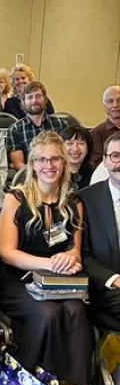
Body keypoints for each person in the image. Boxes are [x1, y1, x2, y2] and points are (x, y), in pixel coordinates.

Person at [0, 131, 93, 385]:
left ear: (64, 163)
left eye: (55, 159)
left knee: (77, 313)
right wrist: (50, 263)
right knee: (48, 314)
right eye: (42, 159)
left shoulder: (73, 203)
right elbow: (7, 253)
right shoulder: (16, 199)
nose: (49, 165)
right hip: (19, 282)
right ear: (32, 164)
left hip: (60, 282)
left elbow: (75, 252)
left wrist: (69, 260)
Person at [79, 131, 120, 331]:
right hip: (105, 285)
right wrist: (115, 279)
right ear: (104, 161)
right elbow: (83, 255)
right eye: (115, 156)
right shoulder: (85, 200)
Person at [6, 82, 68, 171]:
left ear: (45, 99)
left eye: (38, 96)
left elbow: (66, 157)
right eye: (30, 97)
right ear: (23, 101)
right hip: (30, 177)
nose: (34, 100)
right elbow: (19, 164)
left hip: (57, 174)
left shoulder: (61, 125)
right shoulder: (15, 129)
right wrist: (40, 174)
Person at [89, 86, 120, 167]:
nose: (116, 105)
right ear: (104, 105)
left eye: (119, 100)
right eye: (110, 101)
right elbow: (97, 166)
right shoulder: (96, 134)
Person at [60, 126, 94, 191]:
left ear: (88, 148)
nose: (75, 149)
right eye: (69, 143)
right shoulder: (53, 173)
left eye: (81, 143)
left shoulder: (95, 174)